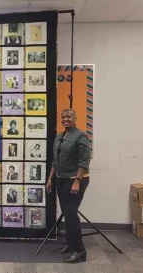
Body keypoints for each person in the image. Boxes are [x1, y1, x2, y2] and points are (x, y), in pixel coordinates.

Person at [46, 108, 90, 263]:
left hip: (75, 180)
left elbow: (84, 161)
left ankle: (79, 252)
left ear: (75, 118)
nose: (65, 119)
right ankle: (70, 245)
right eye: (63, 117)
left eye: (69, 116)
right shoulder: (59, 137)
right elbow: (55, 161)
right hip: (60, 179)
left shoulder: (81, 136)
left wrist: (77, 181)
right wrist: (50, 179)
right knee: (66, 213)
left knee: (71, 215)